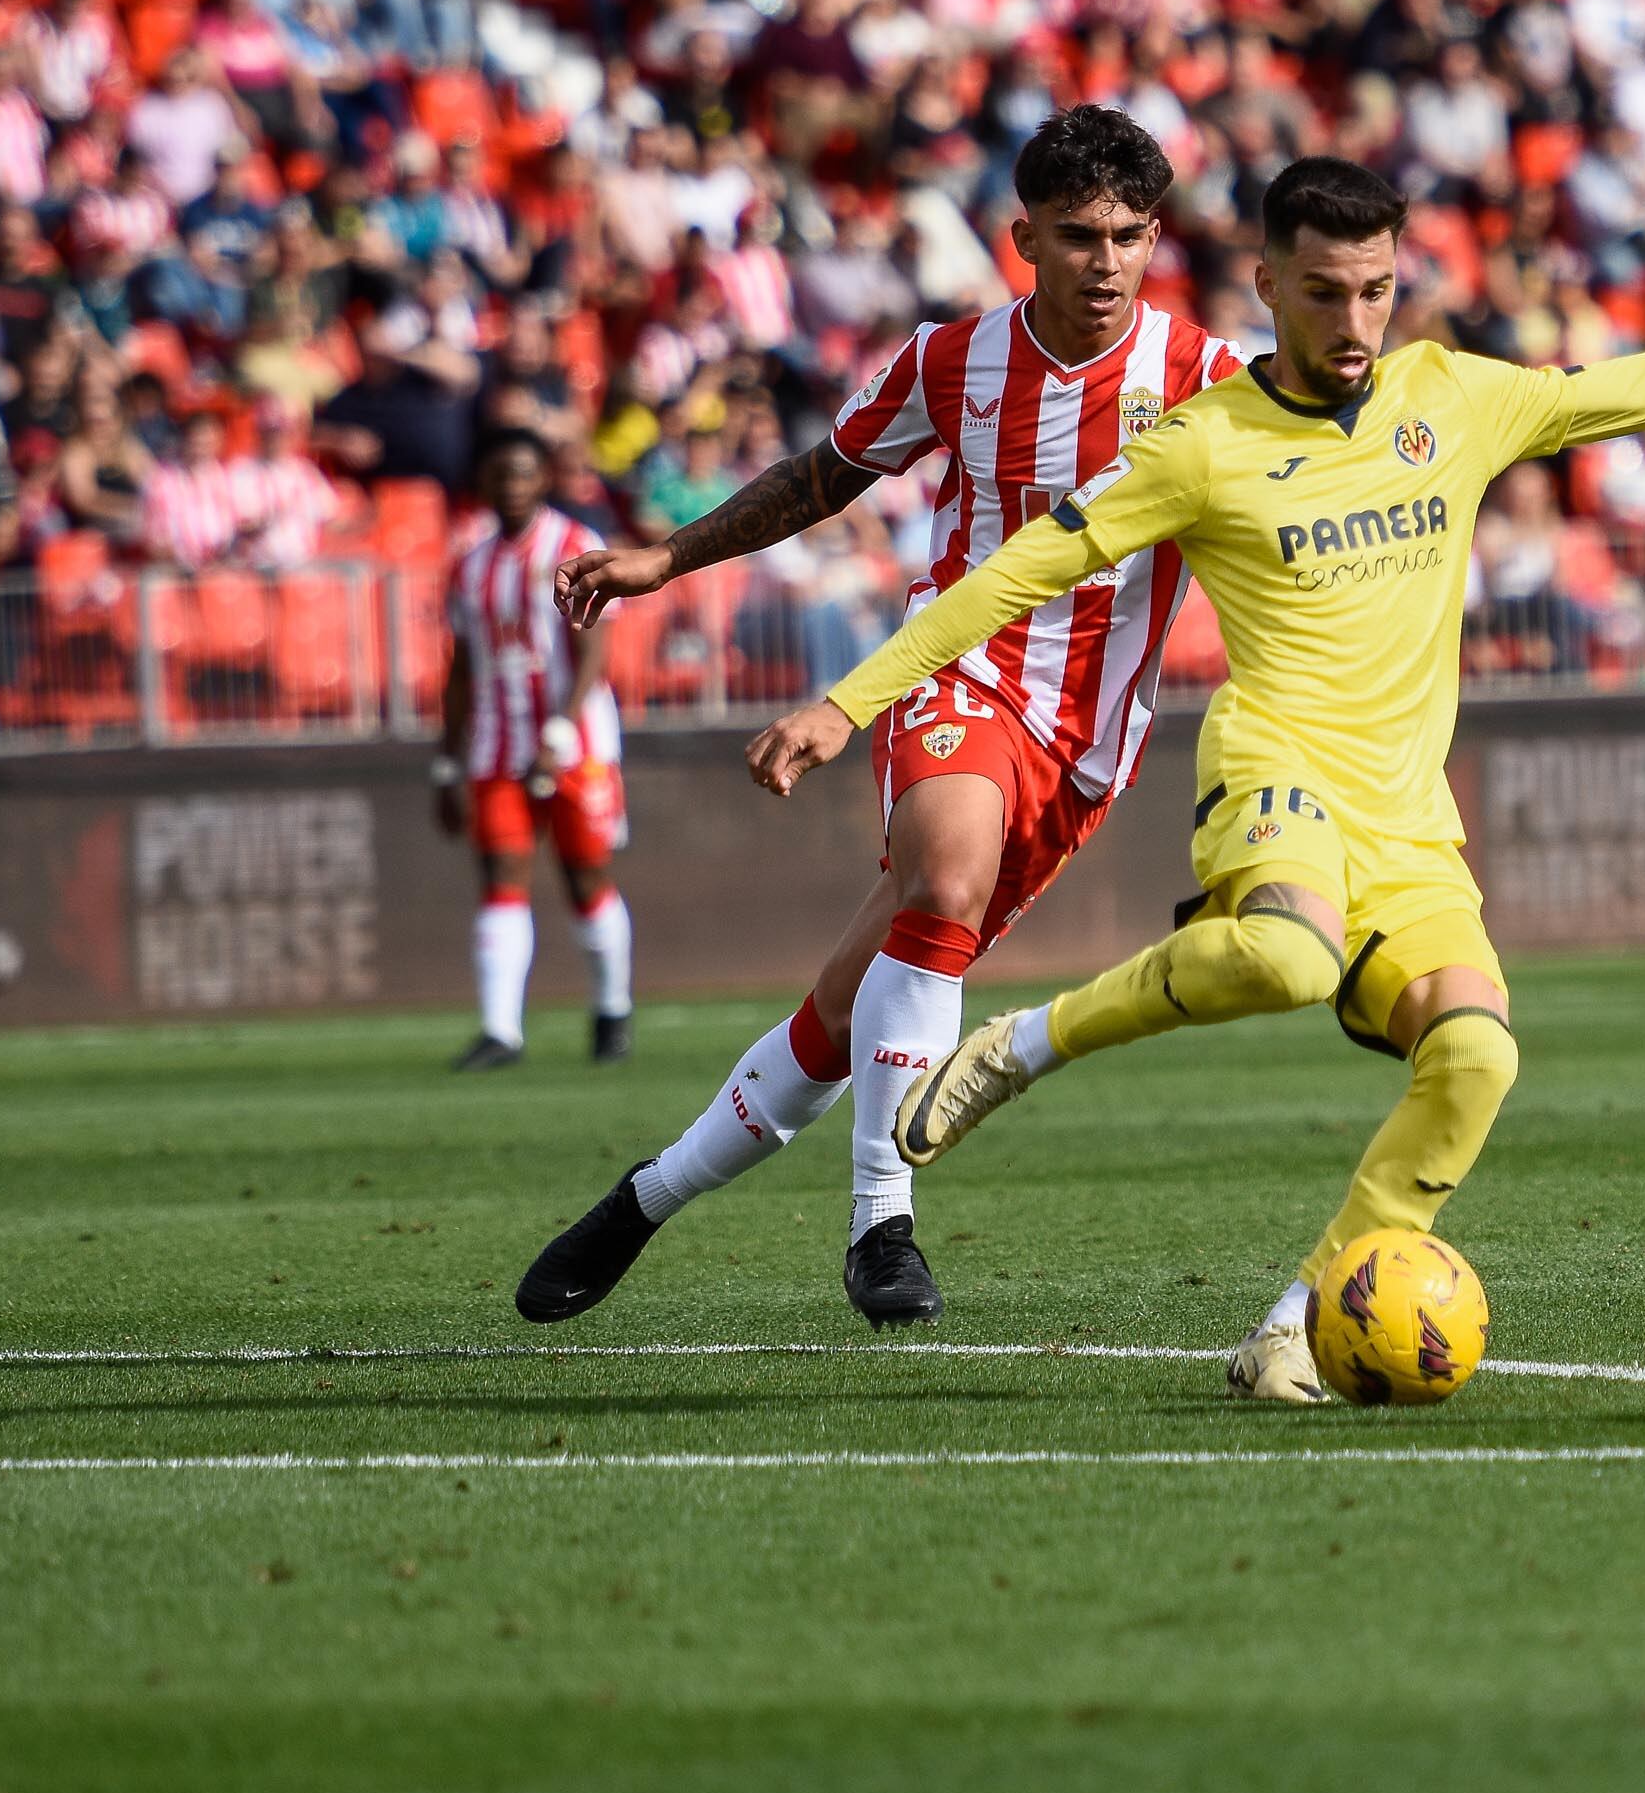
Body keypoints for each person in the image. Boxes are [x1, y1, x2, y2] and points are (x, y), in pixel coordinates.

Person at [758, 155, 1645, 1402]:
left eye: (1376, 290)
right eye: (1324, 292)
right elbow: (1011, 577)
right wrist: (850, 701)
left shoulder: (1456, 399)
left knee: (1478, 1058)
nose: (1354, 323)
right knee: (1286, 959)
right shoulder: (1201, 442)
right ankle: (1027, 1043)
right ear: (1267, 285)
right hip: (1275, 762)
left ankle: (1295, 1322)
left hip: (1406, 819)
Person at [513, 107, 1247, 1328]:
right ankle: (881, 1221)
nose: (1105, 261)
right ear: (1024, 239)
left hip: (1086, 746)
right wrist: (666, 560)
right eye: (1077, 236)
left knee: (845, 1014)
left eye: (1126, 235)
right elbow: (818, 478)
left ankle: (641, 1199)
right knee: (946, 872)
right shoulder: (948, 362)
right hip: (947, 675)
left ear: (1154, 236)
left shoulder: (1211, 383)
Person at [438, 430, 633, 1073]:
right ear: (484, 483)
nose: (512, 487)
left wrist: (560, 729)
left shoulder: (574, 547)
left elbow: (594, 651)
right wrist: (446, 760)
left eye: (523, 474)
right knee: (500, 876)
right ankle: (501, 1030)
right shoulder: (469, 566)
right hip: (498, 747)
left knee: (586, 879)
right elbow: (461, 670)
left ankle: (611, 1012)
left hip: (576, 746)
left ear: (542, 478)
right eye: (500, 475)